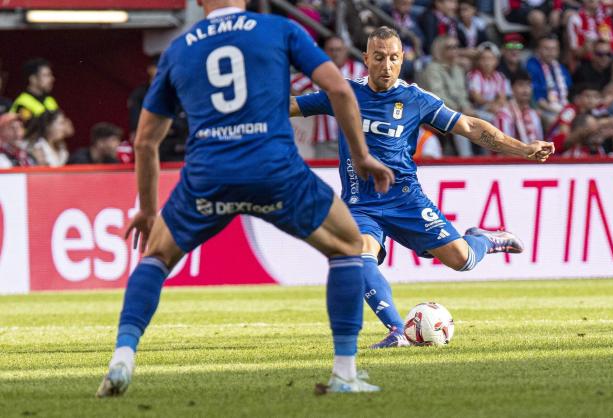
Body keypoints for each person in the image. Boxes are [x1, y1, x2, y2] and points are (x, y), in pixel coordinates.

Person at [96, 0, 394, 397]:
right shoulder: (278, 29)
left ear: (200, 2)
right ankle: (344, 372)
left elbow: (146, 140)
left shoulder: (180, 48)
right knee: (348, 246)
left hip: (208, 177)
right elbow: (339, 89)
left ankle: (123, 357)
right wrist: (361, 156)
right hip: (274, 172)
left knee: (155, 256)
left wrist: (148, 211)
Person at [291, 26, 554, 349]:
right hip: (360, 203)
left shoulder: (415, 99)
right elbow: (290, 106)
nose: (386, 66)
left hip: (406, 200)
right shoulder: (343, 93)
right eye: (378, 58)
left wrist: (523, 148)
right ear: (365, 59)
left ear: (401, 60)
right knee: (359, 256)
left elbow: (470, 126)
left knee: (463, 260)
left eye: (392, 58)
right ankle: (397, 330)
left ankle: (486, 239)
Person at [290, 35, 368, 158]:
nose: (335, 53)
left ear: (346, 50)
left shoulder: (358, 70)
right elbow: (291, 84)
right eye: (331, 50)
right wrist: (305, 101)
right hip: (325, 140)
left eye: (338, 49)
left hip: (354, 138)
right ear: (325, 51)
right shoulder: (317, 71)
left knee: (354, 176)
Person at [416, 36, 476, 156]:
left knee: (489, 119)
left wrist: (466, 107)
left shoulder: (458, 69)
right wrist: (460, 111)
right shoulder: (432, 69)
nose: (455, 50)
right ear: (440, 50)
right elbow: (437, 95)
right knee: (461, 125)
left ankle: (492, 159)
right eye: (450, 47)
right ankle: (467, 159)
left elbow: (462, 94)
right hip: (433, 113)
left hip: (457, 110)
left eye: (456, 47)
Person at [526, 35, 572, 126]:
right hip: (543, 109)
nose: (550, 52)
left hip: (562, 106)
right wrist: (560, 111)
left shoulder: (561, 68)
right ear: (538, 50)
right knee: (555, 122)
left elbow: (568, 90)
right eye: (546, 49)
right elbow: (536, 99)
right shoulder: (532, 67)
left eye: (554, 49)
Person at [495, 71, 544, 144]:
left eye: (528, 85)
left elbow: (540, 141)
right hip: (511, 154)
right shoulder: (503, 115)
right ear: (511, 88)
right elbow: (502, 147)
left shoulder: (533, 114)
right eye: (521, 85)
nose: (525, 90)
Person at [10, 58, 59, 124]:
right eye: (46, 75)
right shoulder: (23, 103)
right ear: (33, 79)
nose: (52, 79)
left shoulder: (50, 100)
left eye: (51, 75)